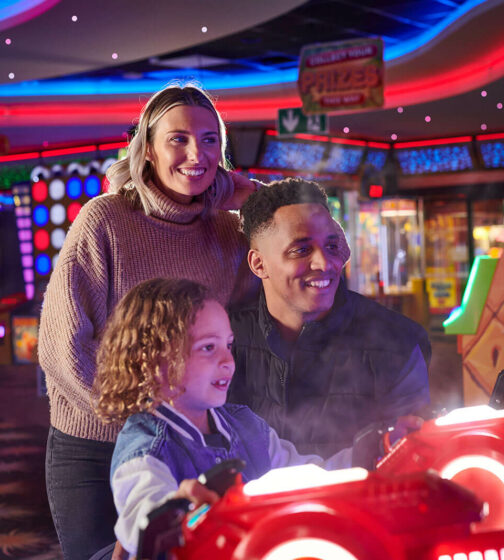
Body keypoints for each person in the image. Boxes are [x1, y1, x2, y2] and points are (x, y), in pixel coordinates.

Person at [38, 83, 260, 560]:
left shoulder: (227, 230)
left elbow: (243, 326)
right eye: (178, 139)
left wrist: (254, 200)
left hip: (183, 440)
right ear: (148, 149)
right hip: (94, 442)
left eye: (209, 140)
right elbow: (63, 346)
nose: (195, 153)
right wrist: (144, 419)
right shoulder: (105, 219)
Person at [93, 278, 361, 557]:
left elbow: (305, 474)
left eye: (229, 345)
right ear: (153, 361)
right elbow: (141, 514)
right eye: (208, 347)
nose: (228, 361)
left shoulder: (246, 425)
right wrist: (175, 508)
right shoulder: (145, 447)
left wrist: (368, 457)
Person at [228, 178, 431, 458]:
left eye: (332, 246)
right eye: (301, 250)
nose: (325, 264)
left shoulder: (396, 341)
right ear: (258, 264)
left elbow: (410, 459)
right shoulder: (223, 340)